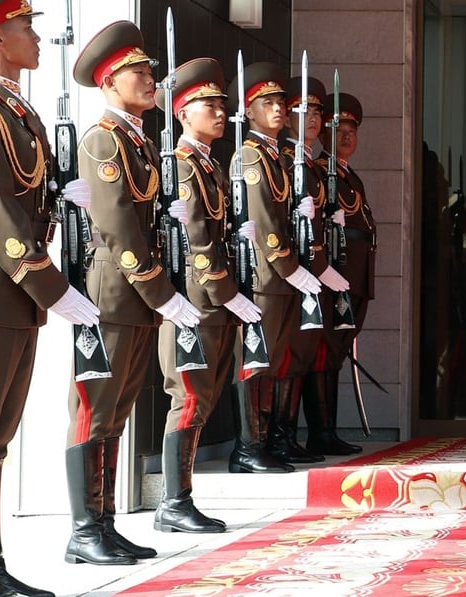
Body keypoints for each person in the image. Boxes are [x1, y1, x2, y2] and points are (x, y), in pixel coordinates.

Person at [0, 2, 99, 594]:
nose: (37, 38)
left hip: (15, 295)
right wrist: (54, 287)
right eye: (26, 28)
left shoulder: (18, 111)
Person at [64, 21, 202, 566]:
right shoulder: (103, 139)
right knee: (94, 411)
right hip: (114, 293)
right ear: (108, 81)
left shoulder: (139, 141)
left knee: (117, 411)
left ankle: (104, 522)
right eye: (137, 73)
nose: (150, 80)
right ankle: (83, 530)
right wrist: (160, 291)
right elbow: (117, 224)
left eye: (149, 71)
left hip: (136, 298)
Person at [152, 58, 262, 533]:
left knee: (205, 398)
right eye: (207, 104)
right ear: (181, 112)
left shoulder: (210, 166)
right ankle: (173, 503)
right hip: (194, 303)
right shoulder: (180, 165)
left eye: (221, 103)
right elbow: (196, 240)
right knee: (190, 397)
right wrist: (227, 293)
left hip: (214, 305)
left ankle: (181, 498)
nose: (220, 111)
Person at [227, 62, 321, 473]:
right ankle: (248, 447)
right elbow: (264, 221)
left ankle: (265, 441)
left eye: (281, 102)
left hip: (280, 279)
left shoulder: (276, 156)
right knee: (256, 359)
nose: (279, 109)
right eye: (267, 103)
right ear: (249, 112)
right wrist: (289, 266)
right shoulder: (250, 155)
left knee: (276, 360)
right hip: (265, 277)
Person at [270, 75, 348, 465]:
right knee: (284, 358)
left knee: (301, 357)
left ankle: (287, 435)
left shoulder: (310, 163)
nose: (313, 118)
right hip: (290, 272)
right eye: (304, 111)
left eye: (317, 111)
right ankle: (275, 438)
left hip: (311, 273)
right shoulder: (282, 158)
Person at [306, 91, 375, 456]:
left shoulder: (349, 175)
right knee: (324, 351)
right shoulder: (320, 171)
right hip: (335, 274)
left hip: (354, 275)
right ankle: (321, 431)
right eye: (337, 130)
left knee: (336, 352)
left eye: (352, 130)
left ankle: (328, 429)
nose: (346, 137)